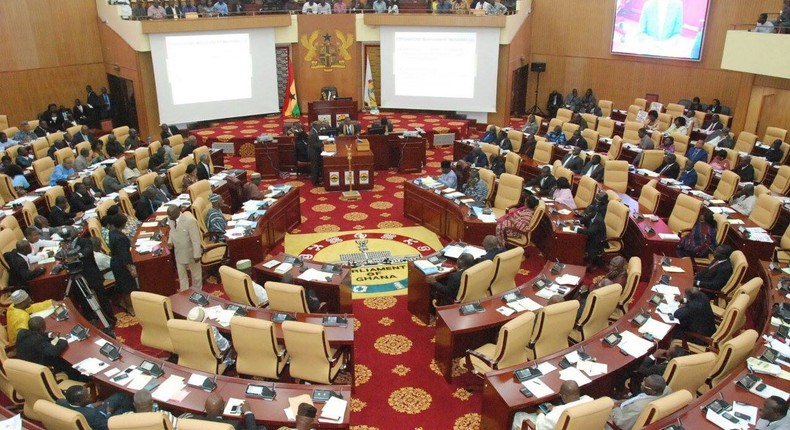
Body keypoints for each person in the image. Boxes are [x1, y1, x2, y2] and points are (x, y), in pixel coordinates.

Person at [16, 316, 87, 382]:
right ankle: (80, 379)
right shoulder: (37, 341)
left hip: (26, 364)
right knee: (65, 362)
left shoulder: (22, 333)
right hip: (38, 368)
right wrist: (63, 339)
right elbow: (54, 351)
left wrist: (49, 334)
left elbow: (36, 333)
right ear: (41, 328)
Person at [511, 381, 592, 430]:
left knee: (518, 415)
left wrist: (540, 413)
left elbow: (540, 427)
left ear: (563, 396)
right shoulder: (589, 400)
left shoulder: (557, 414)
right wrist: (556, 408)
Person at [57, 386, 134, 430]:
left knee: (120, 396)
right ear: (78, 402)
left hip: (93, 412)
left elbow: (81, 408)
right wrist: (109, 413)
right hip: (104, 420)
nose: (90, 396)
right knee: (125, 406)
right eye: (87, 396)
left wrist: (92, 405)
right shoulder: (92, 414)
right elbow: (107, 426)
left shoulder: (61, 402)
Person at [166, 204, 203, 292]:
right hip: (178, 252)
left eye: (170, 215)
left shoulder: (189, 221)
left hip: (190, 252)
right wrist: (170, 241)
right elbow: (172, 231)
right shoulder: (171, 218)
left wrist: (197, 254)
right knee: (181, 276)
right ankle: (184, 293)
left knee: (196, 275)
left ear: (177, 213)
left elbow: (195, 239)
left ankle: (198, 291)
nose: (169, 217)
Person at [109, 213, 138, 315]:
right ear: (123, 224)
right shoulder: (120, 238)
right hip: (122, 266)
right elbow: (124, 256)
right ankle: (130, 308)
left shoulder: (112, 232)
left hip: (115, 263)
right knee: (128, 288)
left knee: (123, 285)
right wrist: (131, 270)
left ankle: (124, 302)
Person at [189, 394, 256, 429]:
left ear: (205, 407)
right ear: (222, 409)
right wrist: (248, 412)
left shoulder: (191, 420)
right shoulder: (232, 425)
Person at [577, 200, 607, 267]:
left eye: (588, 214)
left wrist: (577, 229)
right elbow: (585, 219)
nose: (587, 215)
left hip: (599, 240)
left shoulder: (598, 220)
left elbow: (589, 232)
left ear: (593, 212)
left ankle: (591, 263)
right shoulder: (592, 215)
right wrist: (577, 221)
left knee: (583, 239)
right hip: (594, 235)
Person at [307, 121, 324, 186]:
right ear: (315, 126)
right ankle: (315, 182)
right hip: (313, 153)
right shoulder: (312, 134)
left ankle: (317, 179)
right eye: (319, 126)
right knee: (315, 167)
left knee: (317, 167)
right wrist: (323, 143)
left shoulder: (315, 131)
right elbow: (314, 145)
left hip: (316, 152)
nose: (320, 127)